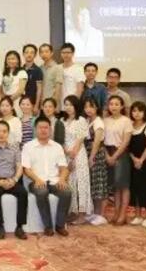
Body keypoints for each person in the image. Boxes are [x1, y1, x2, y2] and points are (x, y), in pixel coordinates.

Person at [21, 117, 72, 236]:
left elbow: (64, 168)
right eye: (40, 127)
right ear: (35, 129)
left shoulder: (57, 146)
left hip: (54, 180)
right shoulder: (28, 146)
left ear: (50, 129)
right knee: (42, 192)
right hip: (36, 181)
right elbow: (26, 169)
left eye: (46, 127)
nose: (43, 130)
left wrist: (62, 179)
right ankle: (48, 226)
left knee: (67, 192)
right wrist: (37, 179)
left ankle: (60, 225)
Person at [0, 120, 28, 240]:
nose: (1, 134)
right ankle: (0, 227)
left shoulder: (15, 148)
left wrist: (14, 180)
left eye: (4, 131)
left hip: (12, 180)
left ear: (8, 133)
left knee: (23, 193)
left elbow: (19, 167)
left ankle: (19, 227)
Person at [61, 95, 91, 224]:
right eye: (66, 104)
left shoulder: (81, 120)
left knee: (81, 183)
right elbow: (60, 139)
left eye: (71, 105)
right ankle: (72, 211)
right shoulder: (62, 120)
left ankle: (82, 214)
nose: (68, 107)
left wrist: (72, 153)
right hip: (65, 154)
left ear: (76, 106)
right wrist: (65, 151)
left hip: (78, 154)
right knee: (70, 183)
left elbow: (80, 139)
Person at [104, 95, 133, 225]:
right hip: (108, 152)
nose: (114, 106)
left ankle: (123, 214)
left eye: (116, 104)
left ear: (122, 106)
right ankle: (116, 212)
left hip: (121, 153)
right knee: (115, 186)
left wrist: (114, 156)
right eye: (111, 104)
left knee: (123, 185)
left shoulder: (126, 121)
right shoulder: (105, 120)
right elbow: (101, 140)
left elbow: (126, 141)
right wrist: (107, 156)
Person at [128, 101, 146, 228]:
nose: (137, 113)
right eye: (134, 111)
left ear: (145, 113)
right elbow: (127, 146)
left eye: (140, 111)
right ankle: (138, 216)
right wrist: (134, 159)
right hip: (132, 161)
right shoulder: (130, 126)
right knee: (135, 188)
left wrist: (141, 160)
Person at [83, 97, 109, 226]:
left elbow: (97, 142)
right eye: (86, 107)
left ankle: (101, 215)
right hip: (88, 152)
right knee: (92, 184)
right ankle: (95, 213)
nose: (88, 109)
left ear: (96, 108)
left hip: (96, 154)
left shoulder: (98, 122)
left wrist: (92, 157)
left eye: (91, 106)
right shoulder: (88, 121)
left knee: (100, 184)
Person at [22, 44, 43, 114]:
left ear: (35, 55)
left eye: (32, 52)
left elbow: (39, 89)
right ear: (23, 54)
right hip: (21, 104)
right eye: (27, 52)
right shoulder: (20, 70)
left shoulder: (38, 70)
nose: (29, 54)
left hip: (32, 104)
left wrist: (36, 105)